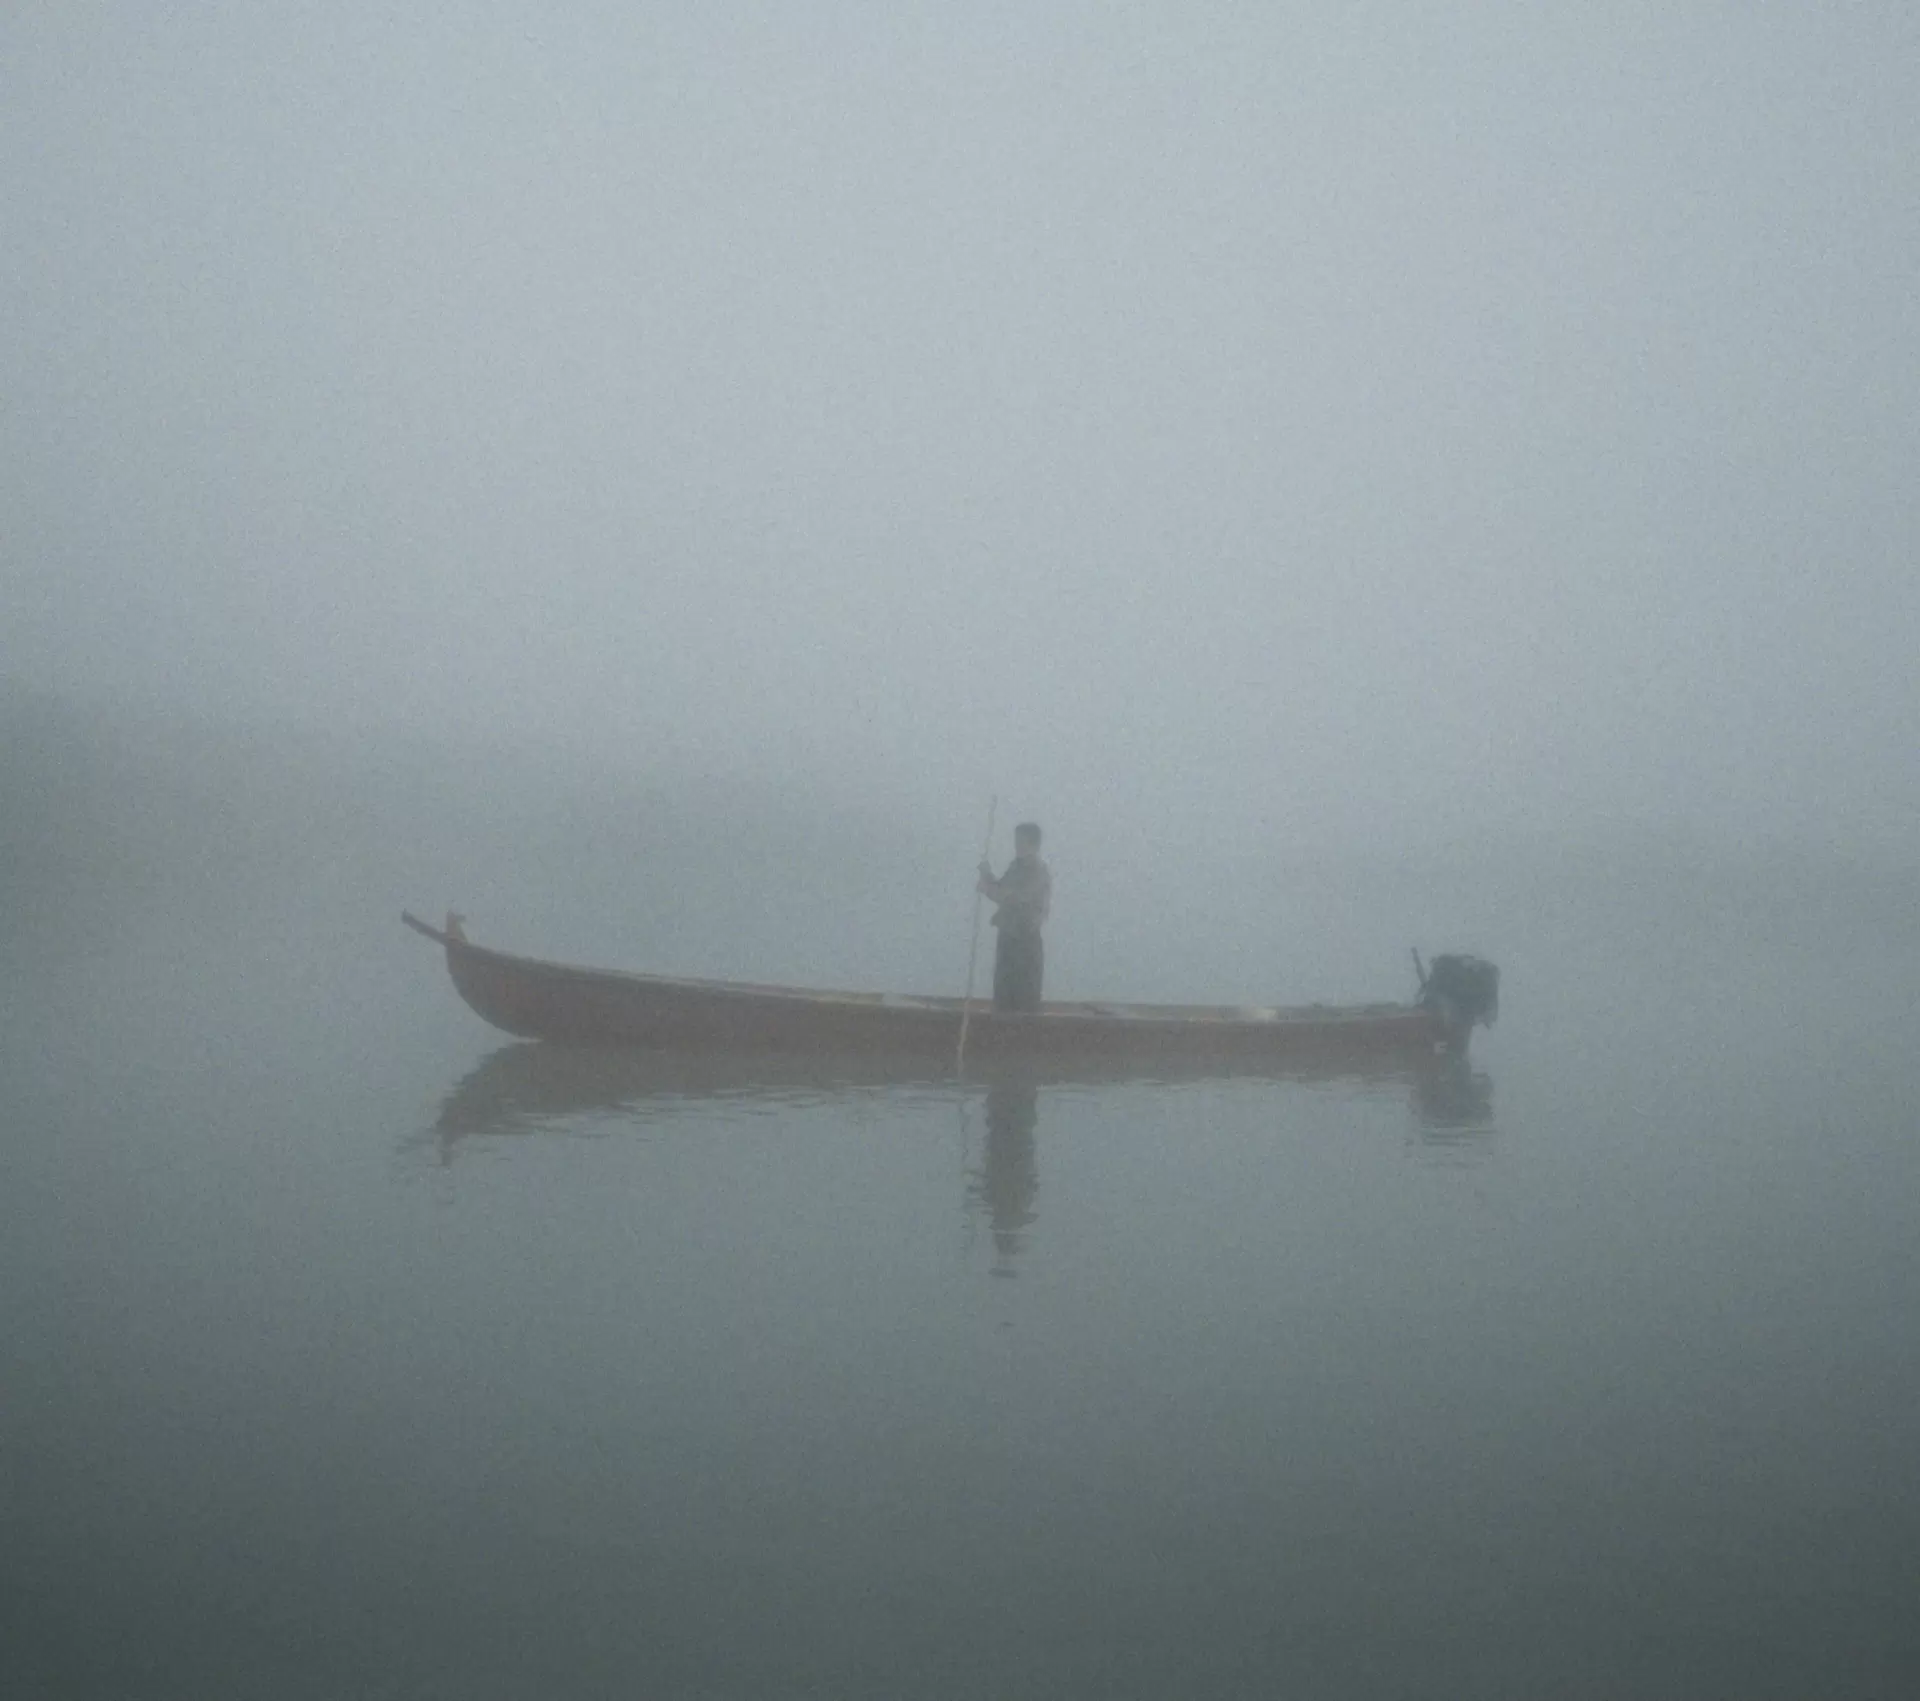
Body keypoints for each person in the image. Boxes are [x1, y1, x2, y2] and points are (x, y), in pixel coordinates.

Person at [977, 822, 1051, 1013]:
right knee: (1003, 995)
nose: (1017, 845)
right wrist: (987, 876)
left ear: (1033, 844)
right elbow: (1002, 889)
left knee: (1023, 998)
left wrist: (989, 889)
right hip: (1008, 938)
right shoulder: (1015, 867)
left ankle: (1021, 1035)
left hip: (1025, 941)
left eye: (1021, 841)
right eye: (1016, 841)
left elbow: (1015, 896)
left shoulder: (1038, 870)